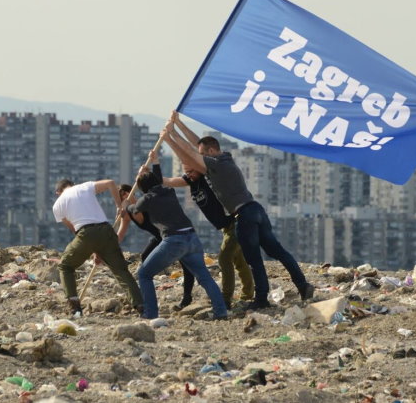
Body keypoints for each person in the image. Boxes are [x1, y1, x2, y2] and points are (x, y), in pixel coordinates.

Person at [162, 110, 315, 311]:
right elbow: (198, 144)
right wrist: (177, 125)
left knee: (254, 260)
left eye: (202, 154)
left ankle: (261, 298)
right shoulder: (225, 158)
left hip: (244, 216)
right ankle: (303, 285)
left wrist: (170, 138)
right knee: (277, 251)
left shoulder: (216, 165)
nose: (199, 159)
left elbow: (190, 156)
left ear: (209, 153)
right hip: (256, 210)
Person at [150, 145, 255, 309]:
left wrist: (171, 139)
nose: (189, 175)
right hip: (225, 227)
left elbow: (188, 158)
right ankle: (248, 293)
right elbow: (164, 181)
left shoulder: (208, 178)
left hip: (235, 221)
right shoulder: (191, 181)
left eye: (191, 171)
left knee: (224, 258)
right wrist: (154, 163)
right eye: (187, 172)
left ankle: (225, 299)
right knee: (238, 260)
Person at [124, 165, 228, 320]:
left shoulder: (147, 199)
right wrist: (152, 167)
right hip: (192, 238)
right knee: (204, 277)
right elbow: (158, 181)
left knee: (144, 274)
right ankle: (221, 312)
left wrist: (126, 205)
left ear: (143, 189)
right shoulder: (169, 191)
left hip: (174, 240)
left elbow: (134, 209)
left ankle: (150, 314)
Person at [52, 178, 143, 316]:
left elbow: (75, 230)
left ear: (58, 192)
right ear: (73, 185)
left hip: (85, 233)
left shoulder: (57, 205)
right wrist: (119, 206)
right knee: (121, 271)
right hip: (107, 230)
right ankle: (140, 305)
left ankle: (74, 307)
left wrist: (93, 249)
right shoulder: (84, 187)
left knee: (65, 266)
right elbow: (111, 183)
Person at [116, 183, 195, 308]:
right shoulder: (127, 214)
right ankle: (148, 293)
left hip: (172, 233)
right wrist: (106, 248)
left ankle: (187, 297)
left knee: (187, 264)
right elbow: (120, 235)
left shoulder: (143, 203)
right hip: (159, 237)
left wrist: (127, 205)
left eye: (127, 192)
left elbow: (139, 211)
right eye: (122, 196)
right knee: (145, 257)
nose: (126, 196)